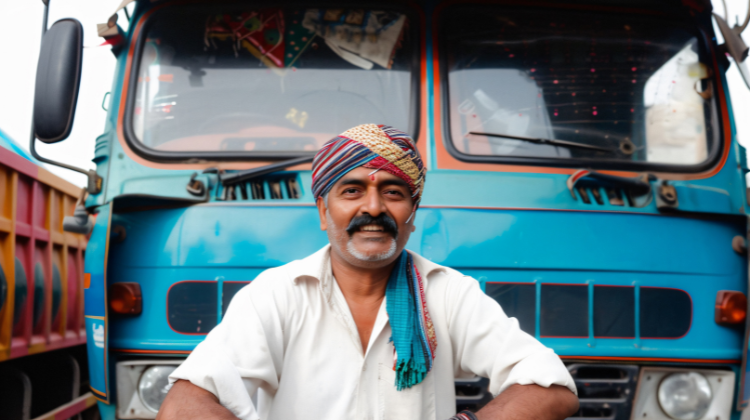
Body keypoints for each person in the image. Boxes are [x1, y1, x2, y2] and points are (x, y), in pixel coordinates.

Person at [158, 124, 579, 420]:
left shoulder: (449, 293)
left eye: (392, 192)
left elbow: (553, 387)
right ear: (323, 211)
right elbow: (182, 406)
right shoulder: (276, 294)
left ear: (412, 215)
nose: (374, 208)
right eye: (352, 190)